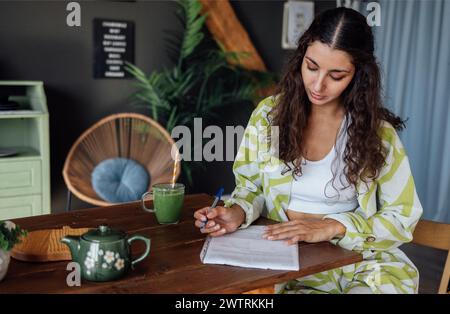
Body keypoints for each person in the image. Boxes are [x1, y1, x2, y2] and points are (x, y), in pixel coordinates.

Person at [193, 7, 423, 294]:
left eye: (336, 75)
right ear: (301, 57)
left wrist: (333, 226)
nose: (318, 84)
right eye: (312, 67)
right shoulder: (268, 117)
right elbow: (250, 186)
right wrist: (237, 211)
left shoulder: (378, 134)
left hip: (363, 264)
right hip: (291, 263)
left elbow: (402, 216)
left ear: (358, 75)